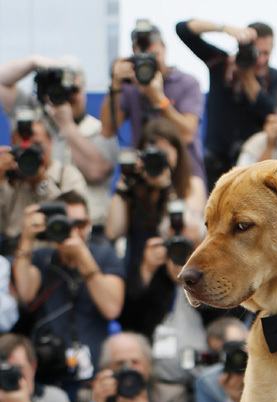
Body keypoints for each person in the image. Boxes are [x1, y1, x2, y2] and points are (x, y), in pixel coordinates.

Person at [105, 118, 206, 350]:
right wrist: (124, 185)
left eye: (164, 154)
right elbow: (112, 230)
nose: (157, 160)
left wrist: (167, 188)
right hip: (143, 277)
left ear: (178, 154)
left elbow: (188, 227)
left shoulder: (191, 184)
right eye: (152, 154)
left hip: (177, 277)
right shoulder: (134, 187)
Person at [12, 190, 125, 383]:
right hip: (49, 374)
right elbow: (25, 293)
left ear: (89, 224)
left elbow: (112, 308)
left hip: (94, 376)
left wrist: (82, 256)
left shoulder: (105, 256)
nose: (72, 230)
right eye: (64, 223)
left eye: (79, 224)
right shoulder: (42, 257)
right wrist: (27, 238)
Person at [0, 54, 118, 231]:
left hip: (87, 229)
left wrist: (67, 126)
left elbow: (97, 172)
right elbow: (2, 82)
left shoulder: (100, 130)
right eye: (59, 90)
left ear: (83, 89)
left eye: (73, 90)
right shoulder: (35, 122)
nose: (66, 97)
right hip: (37, 226)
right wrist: (34, 62)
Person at [176, 18, 277, 191]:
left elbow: (270, 111)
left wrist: (247, 76)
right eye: (257, 53)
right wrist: (225, 28)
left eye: (266, 53)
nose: (261, 60)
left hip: (254, 160)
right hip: (217, 161)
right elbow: (183, 30)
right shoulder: (221, 64)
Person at [101, 21, 206, 185]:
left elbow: (187, 135)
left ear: (164, 49)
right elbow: (108, 130)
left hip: (184, 178)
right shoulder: (129, 87)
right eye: (142, 56)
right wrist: (115, 84)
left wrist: (158, 99)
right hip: (144, 177)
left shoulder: (187, 83)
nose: (150, 62)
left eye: (154, 55)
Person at [0, 114, 87, 256]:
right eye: (24, 146)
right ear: (13, 145)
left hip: (56, 252)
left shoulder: (67, 175)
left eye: (37, 145)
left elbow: (77, 222)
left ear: (50, 142)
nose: (30, 152)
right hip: (12, 253)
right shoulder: (8, 178)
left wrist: (42, 181)